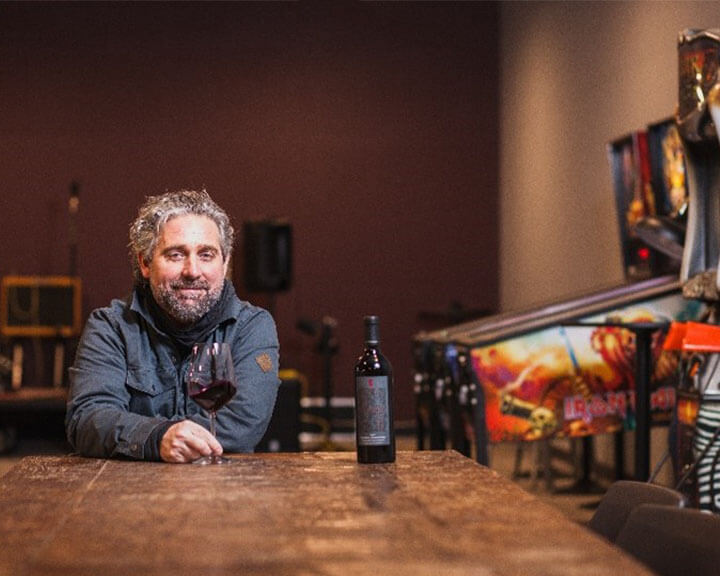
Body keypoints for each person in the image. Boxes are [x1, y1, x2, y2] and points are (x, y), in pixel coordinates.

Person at [65, 189, 280, 463]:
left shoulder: (252, 327)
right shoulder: (110, 326)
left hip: (224, 494)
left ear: (224, 263)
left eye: (206, 254)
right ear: (145, 263)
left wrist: (143, 434)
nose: (192, 271)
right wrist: (158, 438)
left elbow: (243, 425)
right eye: (176, 254)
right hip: (126, 496)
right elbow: (87, 420)